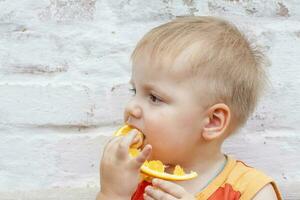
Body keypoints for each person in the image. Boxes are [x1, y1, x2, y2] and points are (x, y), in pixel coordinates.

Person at [97, 16, 282, 200]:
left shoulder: (251, 191)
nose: (131, 107)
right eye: (134, 90)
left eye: (154, 98)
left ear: (212, 121)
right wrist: (112, 193)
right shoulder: (129, 177)